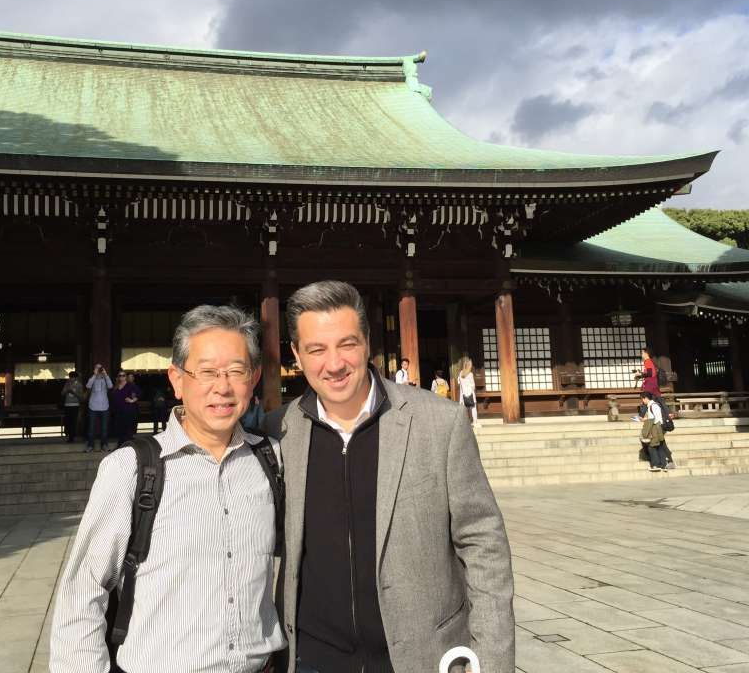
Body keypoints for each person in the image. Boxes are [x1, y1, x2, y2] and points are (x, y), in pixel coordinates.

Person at [266, 280, 514, 673]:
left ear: (367, 343)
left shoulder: (439, 422)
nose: (334, 364)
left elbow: (482, 541)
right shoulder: (277, 432)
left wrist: (493, 659)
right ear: (296, 353)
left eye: (347, 344)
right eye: (316, 349)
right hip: (314, 657)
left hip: (422, 655)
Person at [50, 304, 285, 673]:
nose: (222, 387)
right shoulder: (131, 469)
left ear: (254, 378)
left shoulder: (271, 461)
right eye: (206, 371)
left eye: (236, 371)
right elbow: (83, 594)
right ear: (176, 378)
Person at [86, 363, 113, 453]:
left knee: (104, 428)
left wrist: (105, 374)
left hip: (104, 407)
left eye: (100, 368)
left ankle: (104, 445)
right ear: (94, 369)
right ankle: (90, 446)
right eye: (97, 368)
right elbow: (88, 386)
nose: (99, 370)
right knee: (91, 428)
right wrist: (94, 374)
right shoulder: (92, 379)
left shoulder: (106, 378)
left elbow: (110, 386)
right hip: (93, 407)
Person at [639, 391, 667, 471]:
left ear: (646, 398)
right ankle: (663, 465)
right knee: (660, 446)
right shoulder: (653, 405)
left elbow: (655, 419)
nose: (642, 401)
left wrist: (646, 421)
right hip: (658, 427)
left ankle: (655, 465)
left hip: (655, 428)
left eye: (642, 399)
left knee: (652, 446)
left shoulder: (653, 406)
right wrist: (646, 419)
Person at [111, 370, 140, 448]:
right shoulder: (116, 386)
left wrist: (132, 400)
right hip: (118, 412)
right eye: (120, 375)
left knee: (127, 431)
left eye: (123, 375)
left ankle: (128, 447)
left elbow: (137, 394)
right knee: (120, 430)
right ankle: (121, 446)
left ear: (126, 377)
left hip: (128, 411)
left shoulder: (130, 385)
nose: (121, 377)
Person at [60, 371, 85, 443]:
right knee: (68, 421)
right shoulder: (67, 383)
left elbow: (81, 397)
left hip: (75, 405)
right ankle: (69, 435)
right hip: (67, 405)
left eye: (73, 378)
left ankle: (72, 437)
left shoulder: (79, 385)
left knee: (73, 421)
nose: (71, 379)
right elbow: (62, 393)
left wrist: (73, 392)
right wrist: (67, 389)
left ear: (76, 378)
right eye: (70, 377)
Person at [458, 357, 478, 424]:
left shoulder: (460, 373)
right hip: (470, 393)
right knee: (473, 408)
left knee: (465, 409)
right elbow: (473, 386)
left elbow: (460, 385)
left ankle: (466, 422)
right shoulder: (470, 374)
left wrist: (461, 398)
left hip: (463, 394)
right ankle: (475, 422)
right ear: (469, 365)